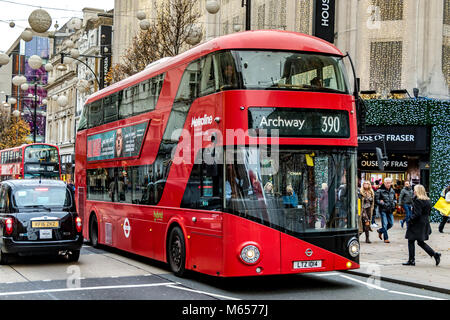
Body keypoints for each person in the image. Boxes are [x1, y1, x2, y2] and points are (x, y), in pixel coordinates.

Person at [403, 184, 441, 266]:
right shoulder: (427, 200)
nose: (414, 191)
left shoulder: (418, 200)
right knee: (420, 242)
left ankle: (411, 260)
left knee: (411, 240)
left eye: (415, 190)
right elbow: (428, 213)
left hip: (417, 223)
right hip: (424, 222)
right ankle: (435, 254)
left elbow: (417, 214)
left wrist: (409, 220)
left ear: (418, 191)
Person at [375, 177, 396, 243]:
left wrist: (395, 203)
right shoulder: (379, 190)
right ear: (384, 183)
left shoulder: (392, 190)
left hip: (390, 209)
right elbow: (376, 200)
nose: (388, 184)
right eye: (387, 183)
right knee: (385, 224)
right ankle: (386, 238)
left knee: (391, 224)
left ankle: (380, 231)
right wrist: (382, 203)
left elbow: (395, 199)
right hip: (383, 209)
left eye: (389, 183)